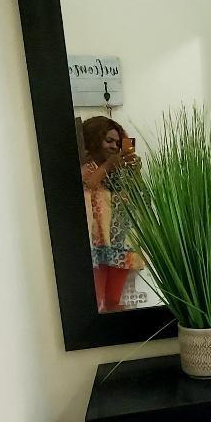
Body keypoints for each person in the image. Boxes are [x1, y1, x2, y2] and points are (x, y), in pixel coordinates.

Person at [79, 116, 144, 312]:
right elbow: (88, 184)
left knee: (114, 300)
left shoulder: (119, 169)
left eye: (118, 142)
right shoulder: (88, 167)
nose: (114, 146)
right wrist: (108, 166)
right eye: (109, 141)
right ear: (93, 140)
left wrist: (135, 172)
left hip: (119, 240)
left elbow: (138, 194)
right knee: (95, 301)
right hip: (97, 242)